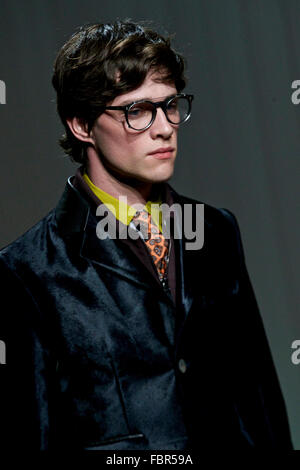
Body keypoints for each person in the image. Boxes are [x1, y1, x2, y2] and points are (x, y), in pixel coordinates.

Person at [0, 20, 293, 452]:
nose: (164, 127)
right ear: (81, 124)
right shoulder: (29, 270)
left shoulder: (215, 230)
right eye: (137, 111)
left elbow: (259, 396)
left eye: (170, 104)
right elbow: (34, 432)